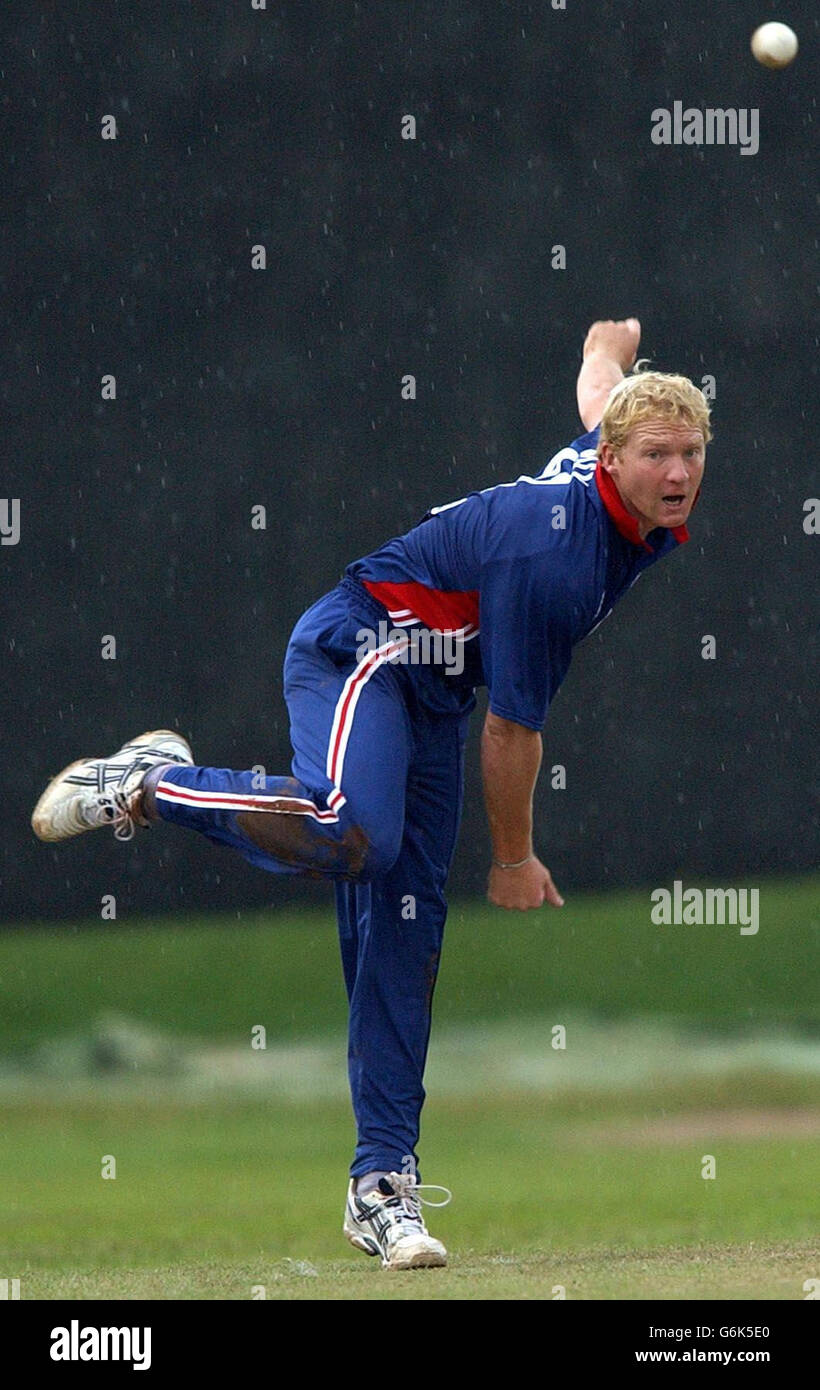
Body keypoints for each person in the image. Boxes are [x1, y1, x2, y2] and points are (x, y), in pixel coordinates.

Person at [32, 317, 710, 1270]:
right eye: (657, 455)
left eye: (690, 452)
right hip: (364, 644)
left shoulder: (617, 477)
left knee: (403, 927)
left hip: (431, 693)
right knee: (350, 831)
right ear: (616, 460)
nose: (677, 471)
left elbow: (601, 396)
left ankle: (380, 1187)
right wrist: (512, 859)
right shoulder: (551, 558)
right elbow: (513, 731)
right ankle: (149, 783)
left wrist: (610, 351)